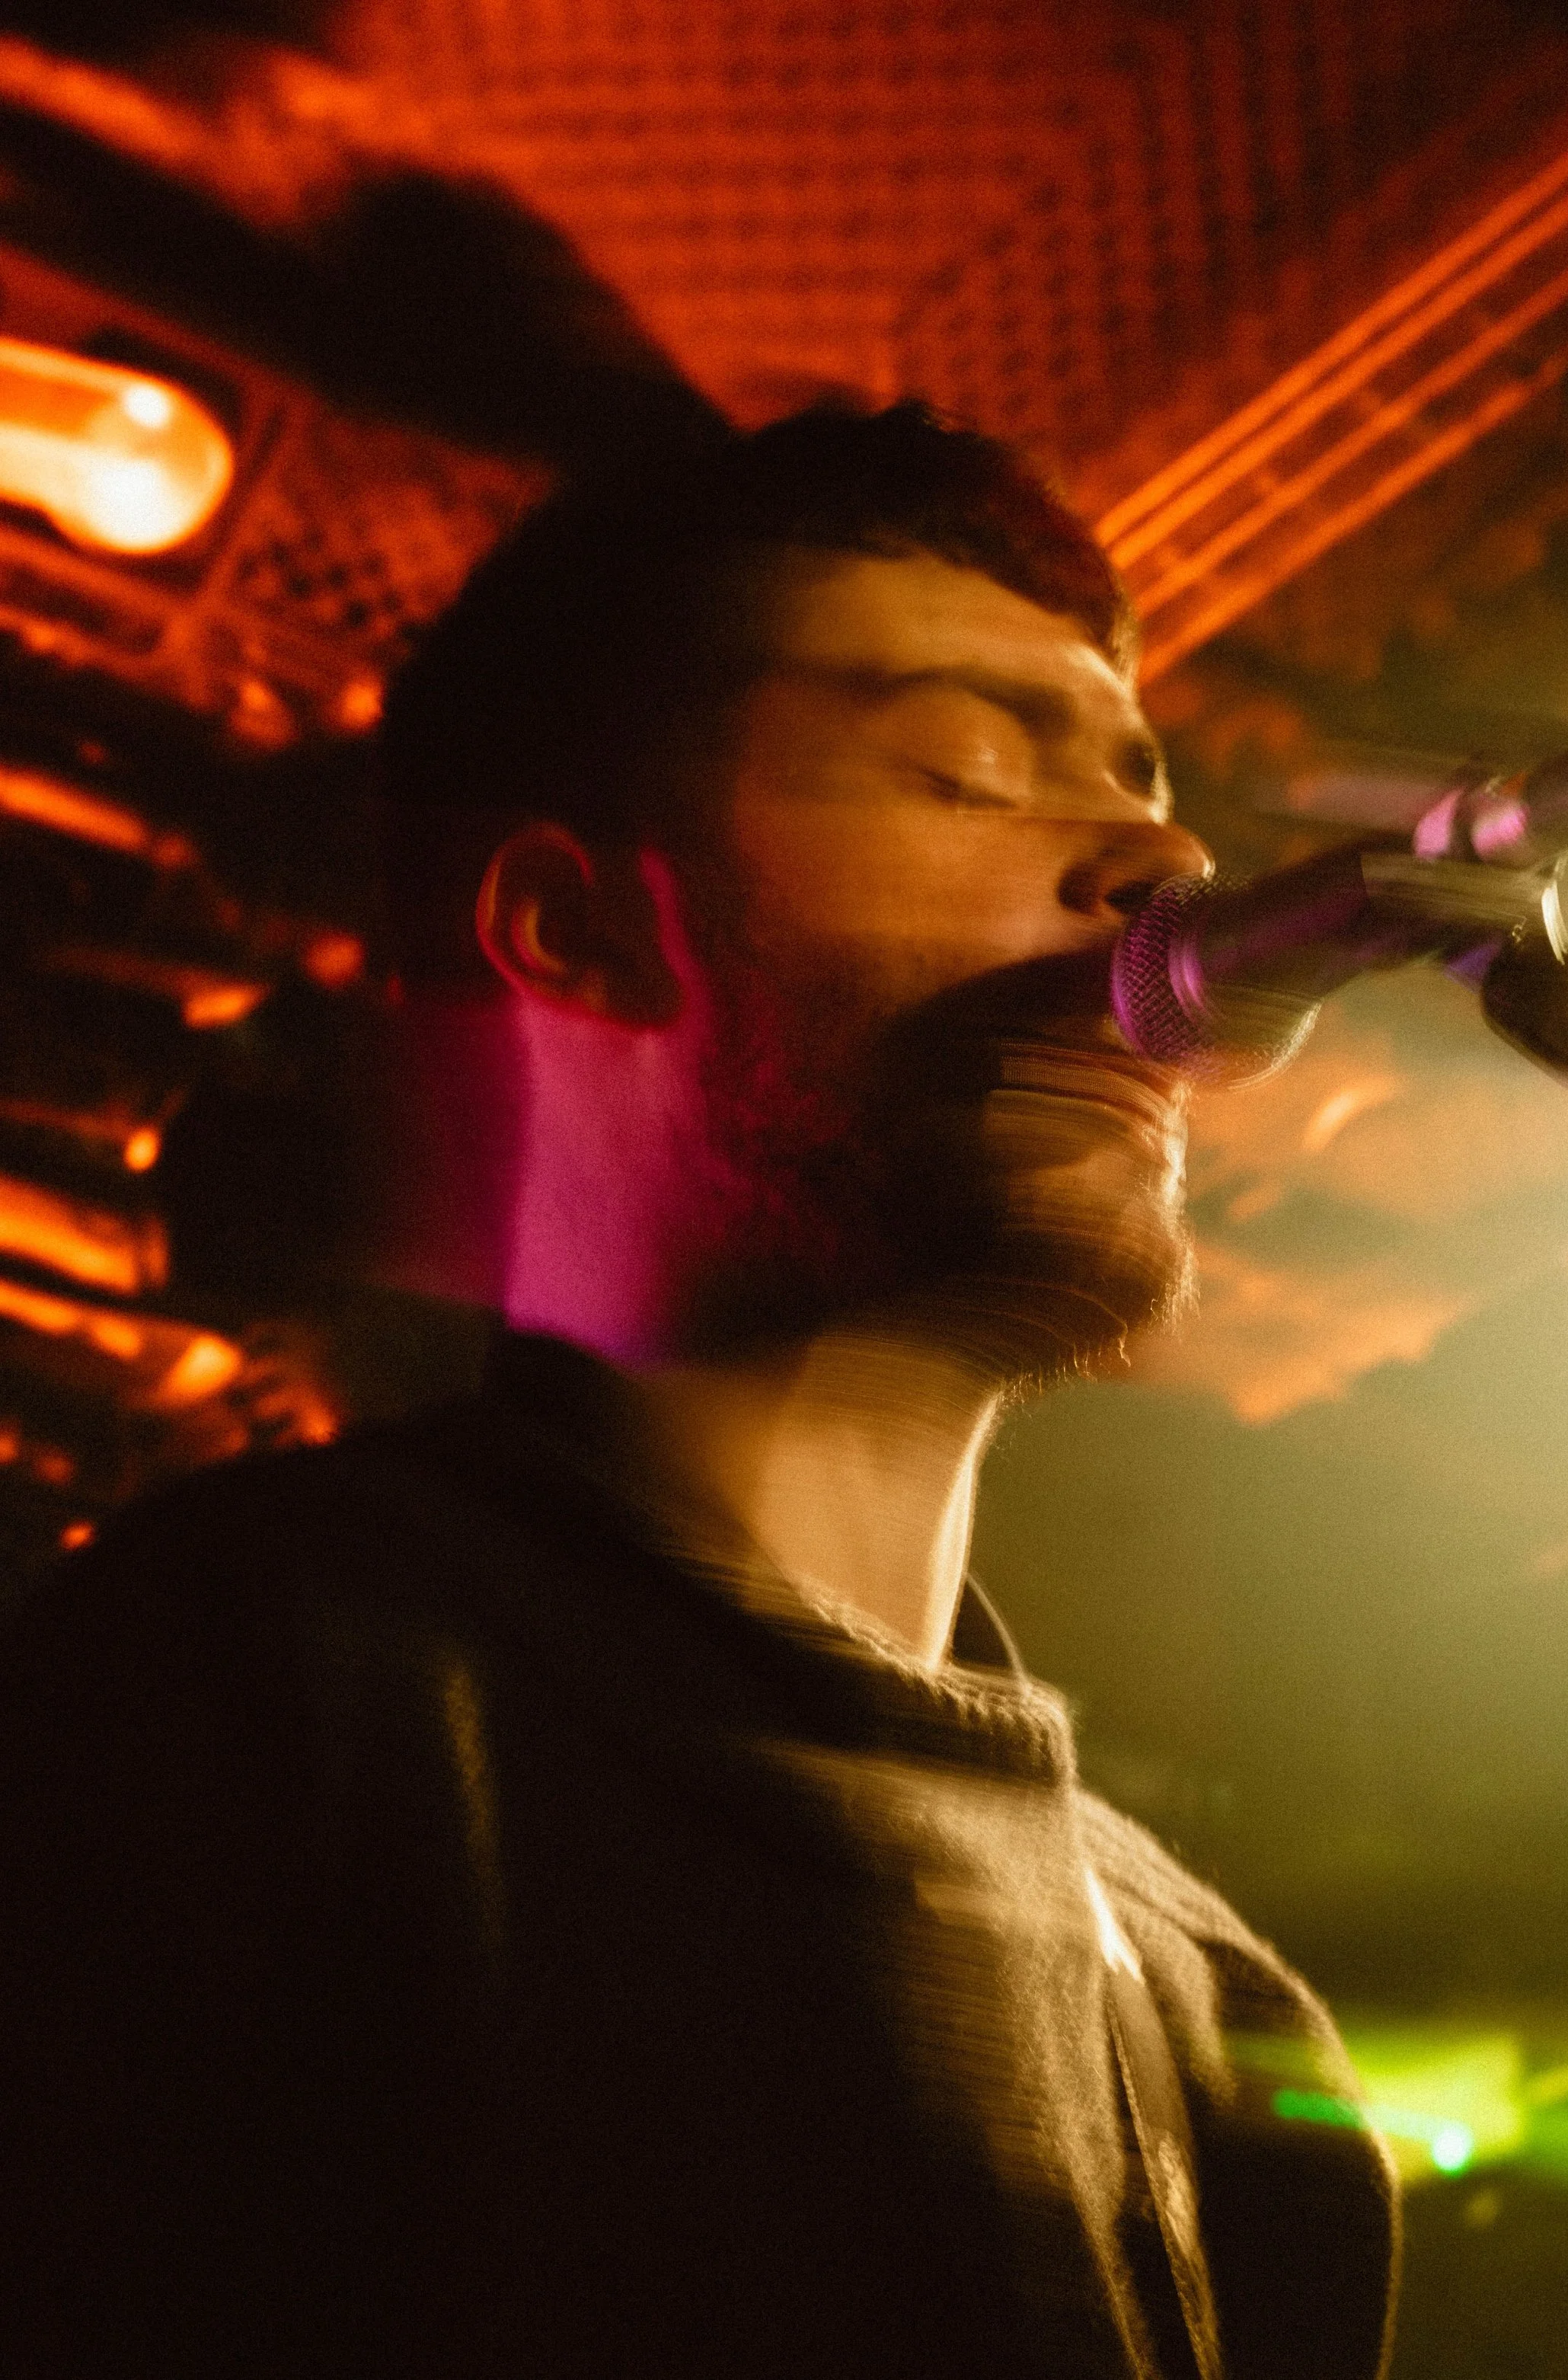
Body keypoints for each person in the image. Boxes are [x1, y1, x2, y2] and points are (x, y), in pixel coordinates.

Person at [0, 402, 1398, 2378]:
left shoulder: (1215, 2019)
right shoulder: (235, 1684)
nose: (1163, 861)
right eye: (967, 767)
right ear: (573, 929)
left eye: (1138, 782)